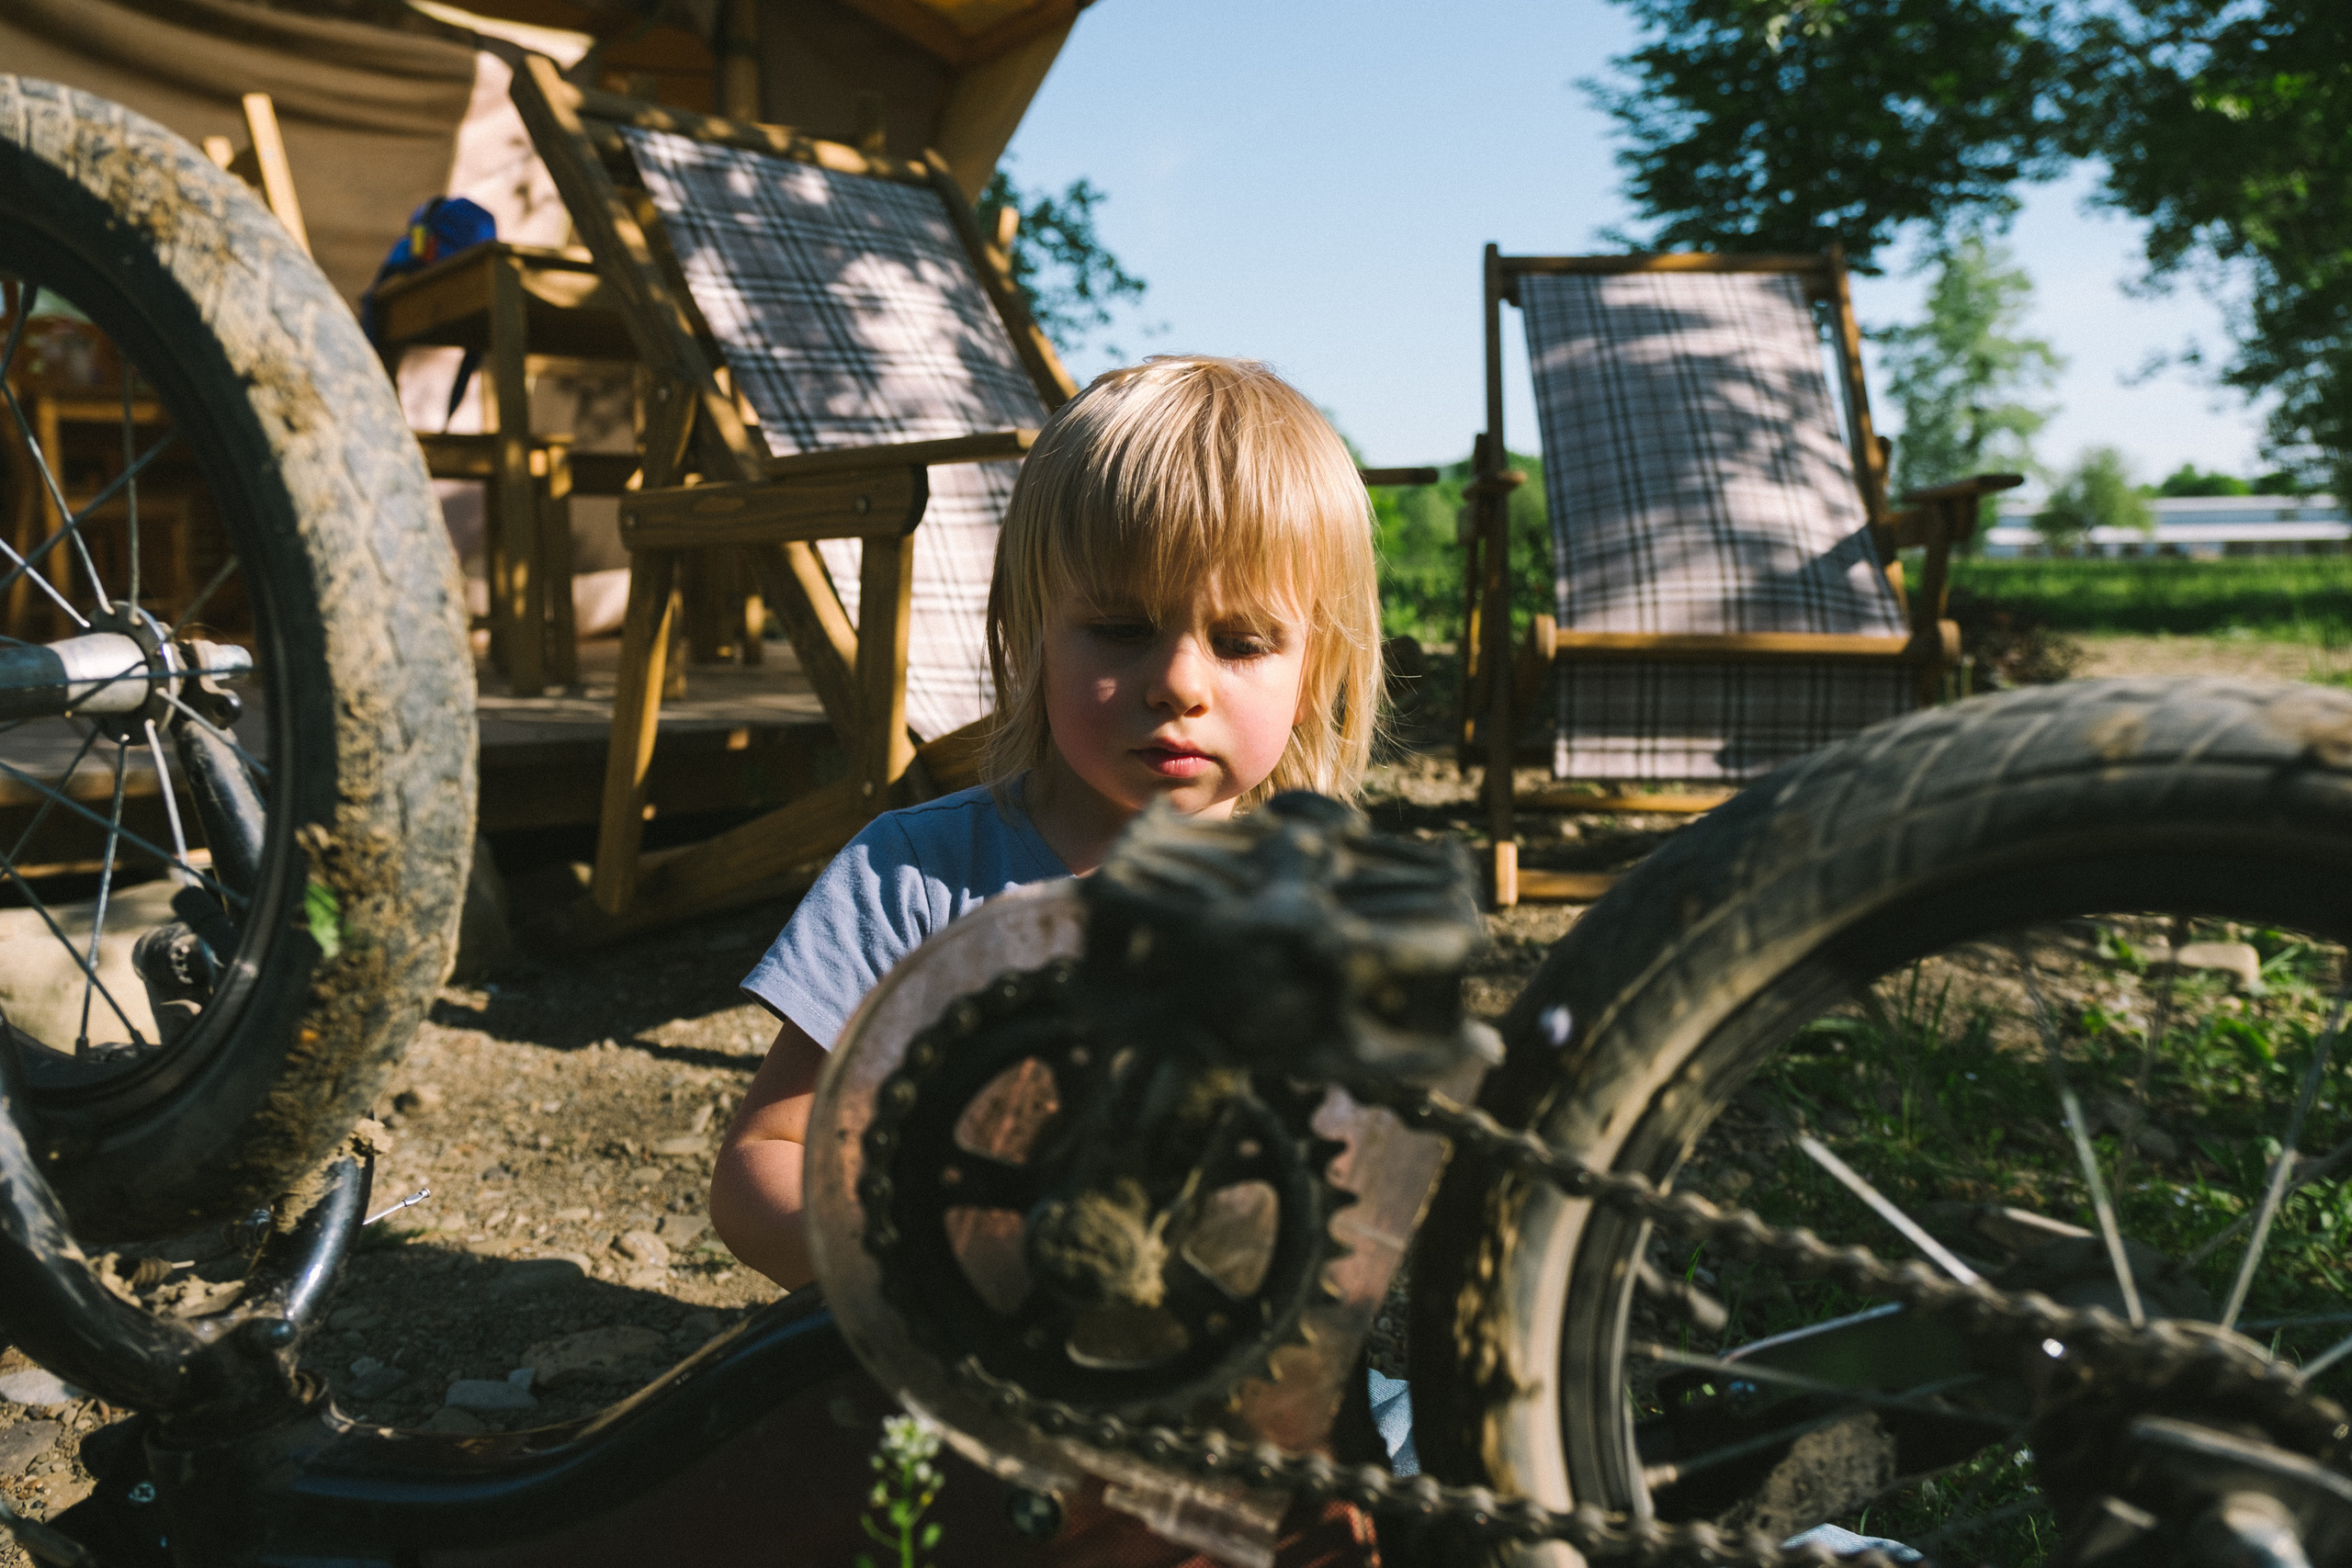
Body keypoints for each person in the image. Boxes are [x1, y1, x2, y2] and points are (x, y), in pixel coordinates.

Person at [707, 355, 1384, 1289]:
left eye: (1241, 643)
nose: (1179, 683)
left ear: (1312, 676)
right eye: (1119, 627)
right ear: (1029, 635)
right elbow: (765, 1160)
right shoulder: (912, 879)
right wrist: (911, 1272)